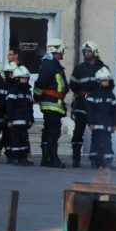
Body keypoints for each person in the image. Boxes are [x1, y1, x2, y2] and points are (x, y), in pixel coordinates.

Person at [69, 40, 108, 168]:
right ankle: (76, 158)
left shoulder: (103, 68)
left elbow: (109, 85)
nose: (86, 54)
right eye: (85, 51)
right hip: (82, 103)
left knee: (98, 132)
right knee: (78, 131)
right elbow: (73, 85)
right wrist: (82, 93)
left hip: (97, 105)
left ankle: (96, 159)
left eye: (89, 51)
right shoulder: (79, 68)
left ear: (95, 53)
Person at [33, 38, 69, 168]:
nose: (63, 53)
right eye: (62, 50)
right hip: (51, 103)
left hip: (55, 103)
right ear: (56, 49)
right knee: (52, 132)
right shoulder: (50, 64)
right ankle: (51, 159)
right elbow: (40, 83)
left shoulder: (53, 64)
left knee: (51, 131)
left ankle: (47, 159)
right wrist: (36, 96)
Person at [85, 67, 116, 169]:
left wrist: (115, 123)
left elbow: (115, 110)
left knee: (107, 143)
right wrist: (90, 122)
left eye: (108, 80)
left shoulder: (111, 95)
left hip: (107, 125)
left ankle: (107, 163)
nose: (107, 82)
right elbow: (89, 110)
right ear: (99, 81)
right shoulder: (92, 95)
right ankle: (95, 162)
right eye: (105, 80)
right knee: (96, 143)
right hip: (96, 125)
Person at [4, 65, 35, 166]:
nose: (25, 80)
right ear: (17, 78)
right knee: (16, 141)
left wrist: (31, 119)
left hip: (25, 121)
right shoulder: (14, 90)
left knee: (23, 141)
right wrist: (9, 120)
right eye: (22, 78)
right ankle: (15, 158)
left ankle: (23, 158)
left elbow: (30, 107)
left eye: (26, 78)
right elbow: (10, 106)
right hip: (16, 121)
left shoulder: (28, 91)